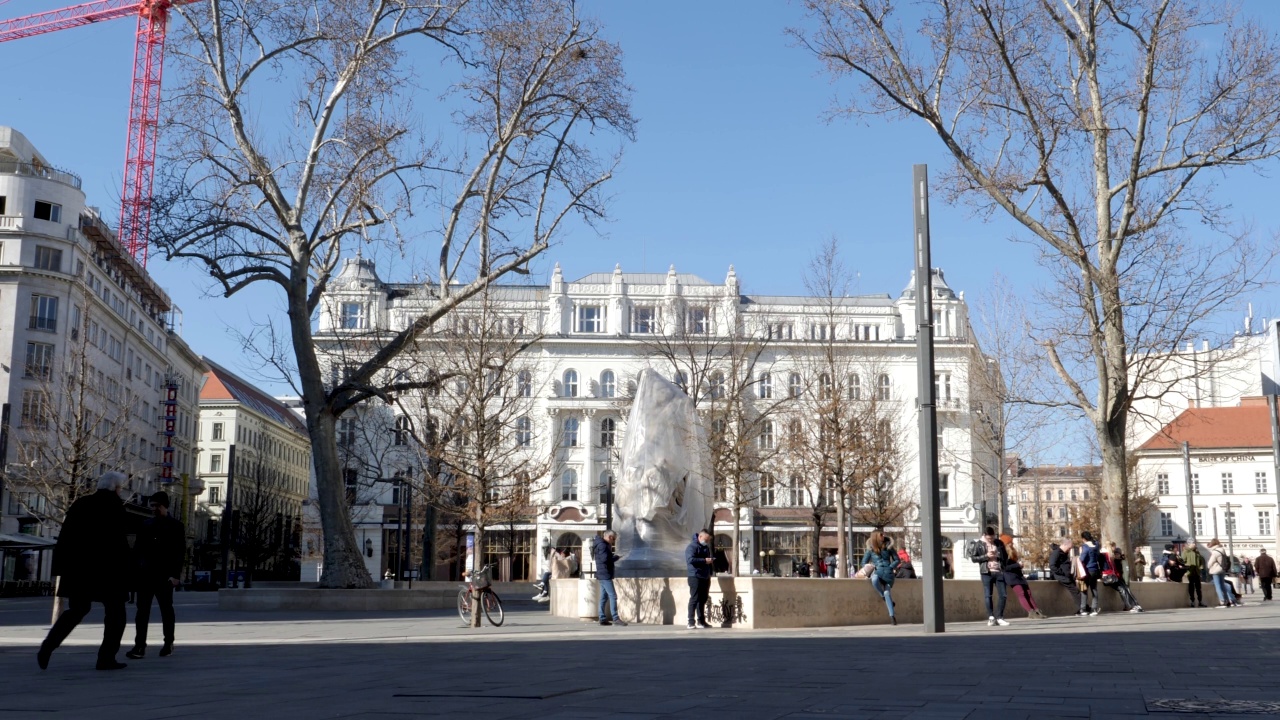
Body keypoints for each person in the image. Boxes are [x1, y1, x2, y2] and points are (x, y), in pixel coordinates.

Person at [38, 471, 132, 671]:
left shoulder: (80, 504)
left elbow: (65, 537)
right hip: (108, 572)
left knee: (77, 610)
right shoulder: (115, 507)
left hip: (78, 571)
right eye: (120, 487)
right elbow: (120, 543)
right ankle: (106, 658)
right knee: (116, 613)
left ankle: (48, 645)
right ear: (115, 488)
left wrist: (61, 569)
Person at [126, 491, 185, 659]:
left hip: (164, 576)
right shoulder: (145, 524)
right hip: (146, 575)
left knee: (166, 610)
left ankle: (168, 642)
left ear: (165, 506)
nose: (153, 509)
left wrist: (175, 575)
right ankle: (139, 646)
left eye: (156, 506)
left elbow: (179, 552)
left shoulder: (176, 526)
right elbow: (137, 550)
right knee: (142, 611)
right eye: (151, 506)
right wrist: (135, 570)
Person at [971, 526, 1009, 626]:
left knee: (1003, 595)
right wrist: (986, 556)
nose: (991, 540)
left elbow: (1005, 556)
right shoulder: (979, 544)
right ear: (984, 535)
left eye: (992, 537)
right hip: (986, 572)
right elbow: (974, 558)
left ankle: (1000, 617)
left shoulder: (999, 543)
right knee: (988, 595)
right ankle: (991, 617)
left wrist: (998, 555)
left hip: (998, 571)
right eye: (989, 538)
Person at [861, 531, 901, 625]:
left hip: (888, 572)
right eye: (881, 535)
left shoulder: (889, 547)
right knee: (874, 580)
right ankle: (882, 596)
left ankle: (892, 617)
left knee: (887, 592)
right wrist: (871, 566)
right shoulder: (870, 549)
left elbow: (897, 559)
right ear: (876, 537)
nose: (884, 536)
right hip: (877, 571)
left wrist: (891, 567)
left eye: (883, 534)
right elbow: (863, 562)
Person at [1001, 534, 1045, 619]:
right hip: (1011, 577)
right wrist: (1018, 565)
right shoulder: (1003, 553)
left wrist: (1019, 566)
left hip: (1019, 575)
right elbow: (1005, 568)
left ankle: (1037, 611)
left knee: (1028, 593)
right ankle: (1031, 612)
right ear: (1006, 543)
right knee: (1021, 593)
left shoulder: (1012, 551)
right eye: (1010, 542)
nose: (1012, 543)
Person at [592, 531, 626, 626]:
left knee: (604, 597)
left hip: (602, 574)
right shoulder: (603, 545)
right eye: (614, 539)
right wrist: (615, 558)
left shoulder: (601, 544)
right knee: (613, 596)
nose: (613, 541)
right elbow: (604, 560)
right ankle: (615, 618)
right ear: (610, 537)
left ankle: (602, 618)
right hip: (605, 574)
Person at [685, 530, 714, 629]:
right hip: (695, 576)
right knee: (694, 598)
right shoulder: (692, 547)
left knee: (703, 599)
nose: (707, 542)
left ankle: (701, 621)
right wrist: (704, 560)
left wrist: (710, 571)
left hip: (705, 576)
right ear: (700, 537)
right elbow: (690, 560)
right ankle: (690, 621)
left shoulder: (706, 547)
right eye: (706, 540)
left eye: (708, 540)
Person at [1049, 538, 1085, 616]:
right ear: (1064, 545)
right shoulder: (1056, 553)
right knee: (1075, 591)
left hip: (1067, 576)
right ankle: (1083, 608)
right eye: (1069, 548)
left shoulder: (1062, 553)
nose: (1069, 550)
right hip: (1062, 576)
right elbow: (1052, 565)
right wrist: (1062, 573)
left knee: (1076, 591)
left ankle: (1083, 607)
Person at [1103, 543, 1143, 613]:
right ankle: (1132, 606)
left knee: (1126, 590)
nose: (1114, 549)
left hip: (1116, 577)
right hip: (1112, 577)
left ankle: (1133, 605)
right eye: (1114, 548)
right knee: (1123, 590)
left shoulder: (1118, 560)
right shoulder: (1106, 556)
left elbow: (1123, 571)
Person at [1206, 539, 1236, 608]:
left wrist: (1208, 566)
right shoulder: (1222, 550)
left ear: (1213, 544)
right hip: (1222, 569)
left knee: (1218, 586)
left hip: (1216, 570)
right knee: (1222, 585)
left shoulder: (1215, 552)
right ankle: (1227, 600)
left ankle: (1222, 601)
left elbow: (1210, 563)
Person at [1078, 531, 1102, 616]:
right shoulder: (1096, 546)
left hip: (1087, 570)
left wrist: (1080, 553)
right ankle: (1094, 608)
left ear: (1083, 539)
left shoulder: (1085, 547)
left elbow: (1082, 558)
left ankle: (1083, 608)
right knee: (1094, 589)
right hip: (1095, 570)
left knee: (1084, 589)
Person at [1181, 540, 1206, 607]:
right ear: (1189, 544)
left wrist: (1201, 567)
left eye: (1195, 543)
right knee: (1191, 587)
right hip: (1190, 572)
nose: (1195, 544)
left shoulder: (1197, 552)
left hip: (1196, 571)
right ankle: (1192, 601)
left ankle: (1200, 601)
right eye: (1193, 543)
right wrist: (1187, 566)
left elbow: (1200, 561)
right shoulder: (1186, 551)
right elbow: (1183, 560)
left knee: (1198, 587)